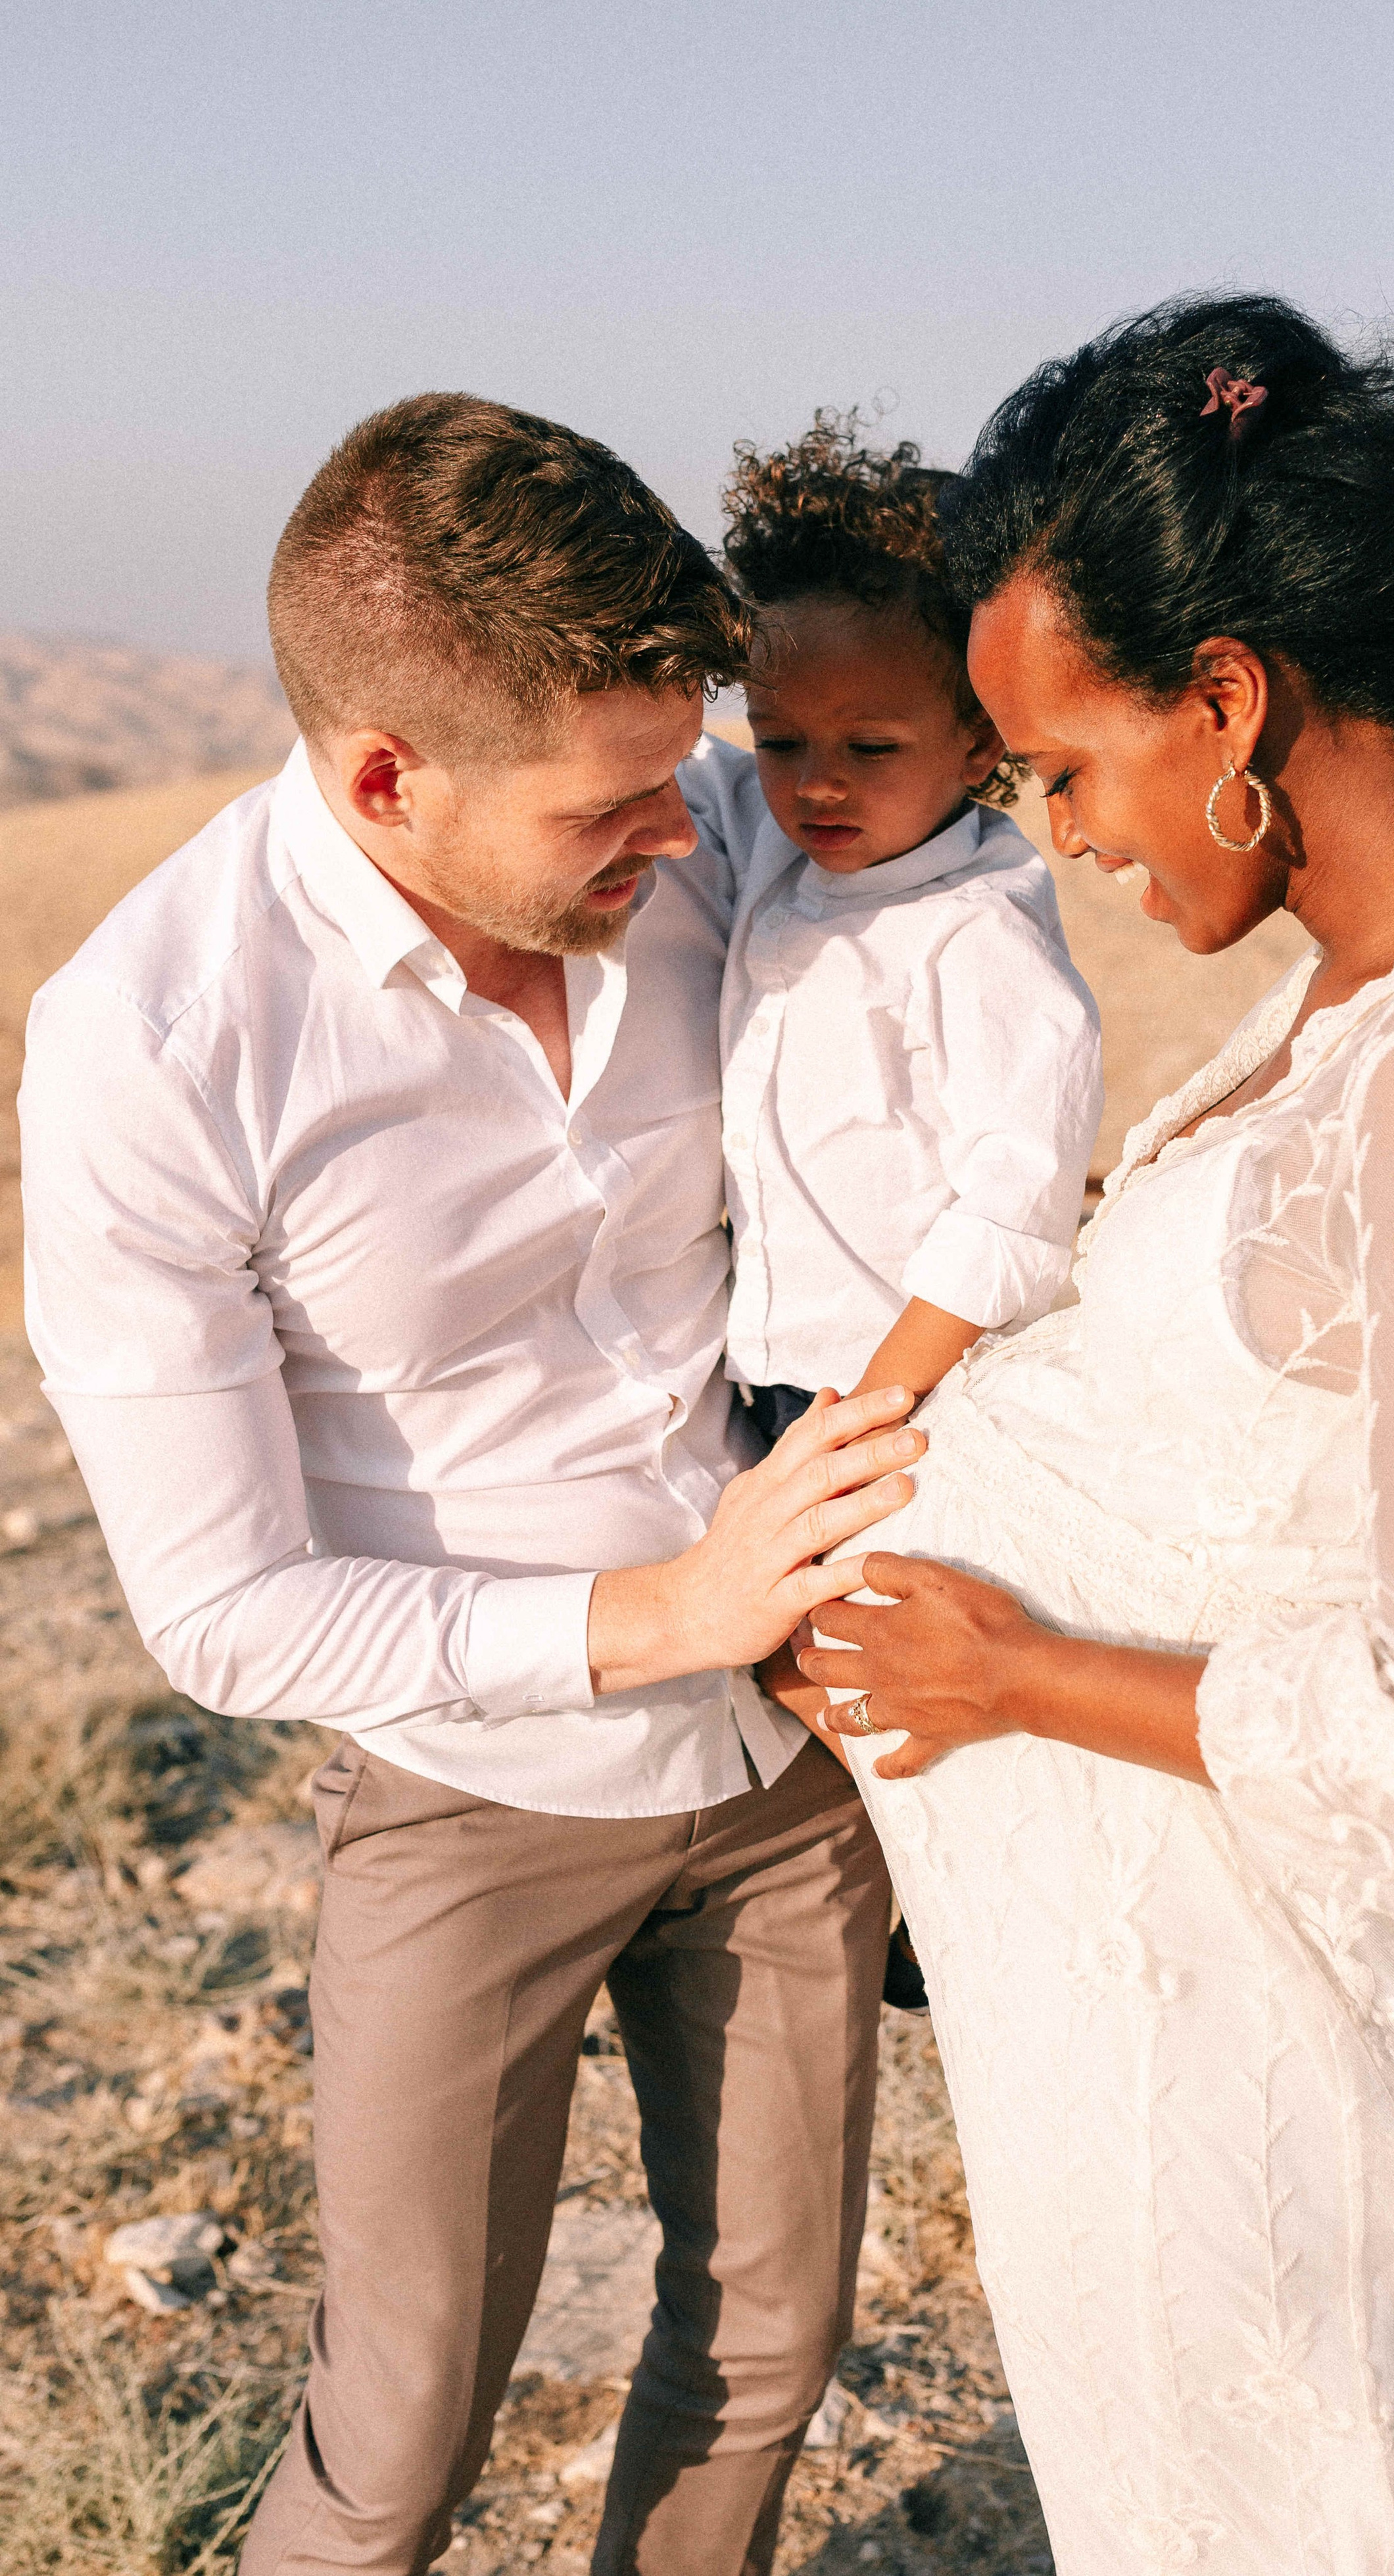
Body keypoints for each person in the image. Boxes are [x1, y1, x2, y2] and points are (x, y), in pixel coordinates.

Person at [777, 297, 1394, 2573]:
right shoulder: (1354, 1001)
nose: (1062, 838)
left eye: (1066, 768)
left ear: (1228, 696)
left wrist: (1007, 1676)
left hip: (1293, 2092)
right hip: (1173, 2044)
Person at [19, 394, 924, 2576]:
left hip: (794, 1759)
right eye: (613, 807)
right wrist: (655, 1613)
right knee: (400, 2429)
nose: (682, 834)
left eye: (680, 774)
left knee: (768, 2351)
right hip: (461, 1792)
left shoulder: (720, 822)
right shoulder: (151, 1044)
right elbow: (230, 1608)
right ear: (385, 775)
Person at [683, 412, 1103, 1436]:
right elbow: (694, 770)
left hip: (913, 1401)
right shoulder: (785, 841)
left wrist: (873, 1413)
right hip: (769, 1383)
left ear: (976, 741)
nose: (818, 783)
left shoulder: (975, 937)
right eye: (780, 739)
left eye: (871, 747)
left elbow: (1015, 1209)